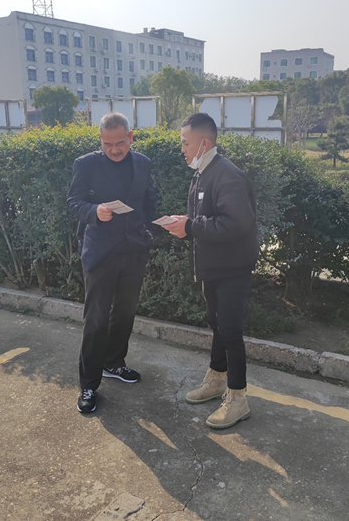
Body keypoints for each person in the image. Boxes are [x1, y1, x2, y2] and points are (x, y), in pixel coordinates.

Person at [166, 113, 259, 429]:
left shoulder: (227, 175)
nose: (182, 149)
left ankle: (238, 398)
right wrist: (185, 224)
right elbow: (205, 219)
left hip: (232, 268)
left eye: (185, 143)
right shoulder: (202, 174)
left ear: (203, 143)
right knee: (217, 324)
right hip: (213, 266)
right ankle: (217, 378)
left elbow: (235, 224)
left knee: (230, 330)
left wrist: (191, 226)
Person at [67, 112, 157, 414]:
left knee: (125, 313)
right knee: (96, 320)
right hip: (101, 252)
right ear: (100, 141)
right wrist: (94, 211)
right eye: (108, 144)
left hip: (134, 251)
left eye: (120, 143)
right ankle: (88, 385)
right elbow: (74, 202)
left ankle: (114, 362)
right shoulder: (86, 164)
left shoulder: (143, 163)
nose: (114, 149)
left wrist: (150, 233)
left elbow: (149, 202)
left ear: (131, 137)